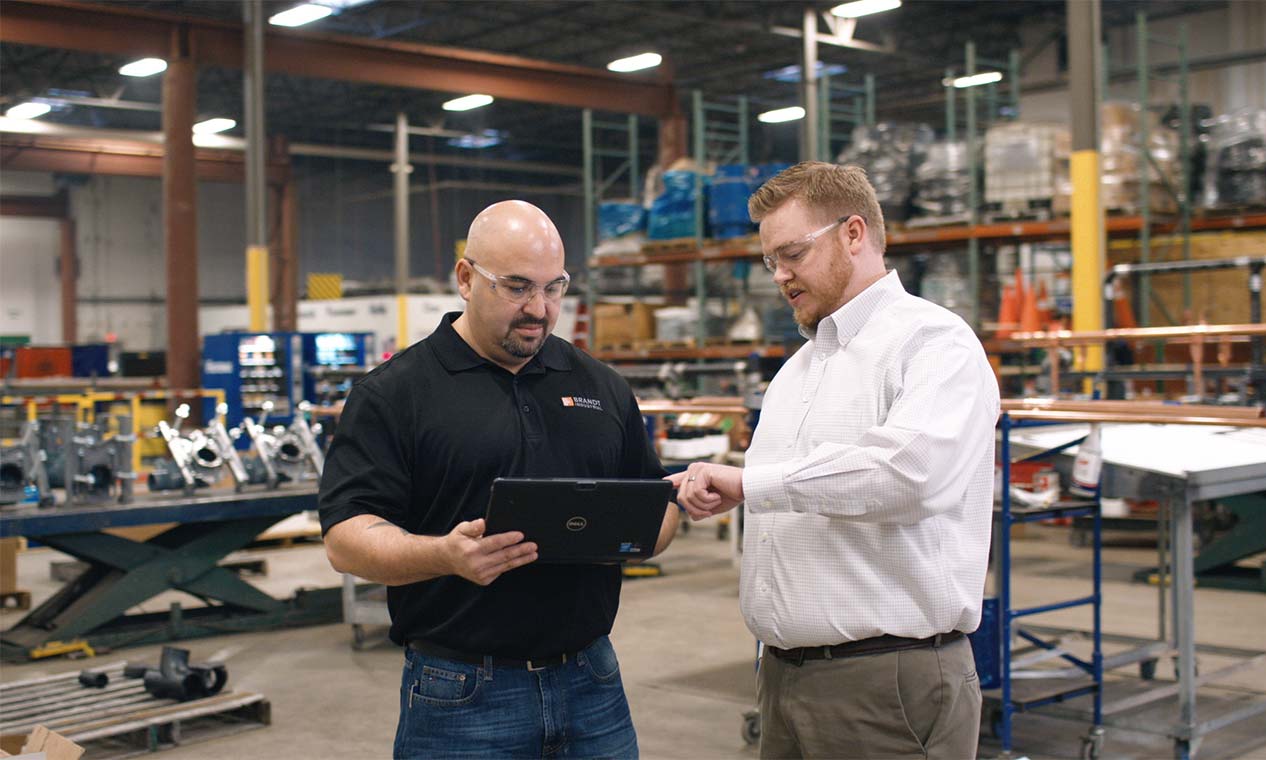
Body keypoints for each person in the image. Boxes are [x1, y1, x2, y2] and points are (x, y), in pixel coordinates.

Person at [319, 200, 678, 759]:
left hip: (593, 681)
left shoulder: (601, 386)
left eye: (554, 288)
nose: (538, 308)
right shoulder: (394, 394)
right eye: (516, 287)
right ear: (466, 278)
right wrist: (445, 554)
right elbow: (346, 539)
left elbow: (656, 512)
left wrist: (656, 519)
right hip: (460, 694)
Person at [669, 162, 999, 759]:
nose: (780, 275)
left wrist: (751, 483)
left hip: (887, 683)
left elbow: (909, 475)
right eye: (770, 260)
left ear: (853, 234)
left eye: (792, 253)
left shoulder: (932, 343)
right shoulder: (796, 372)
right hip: (784, 679)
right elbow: (789, 500)